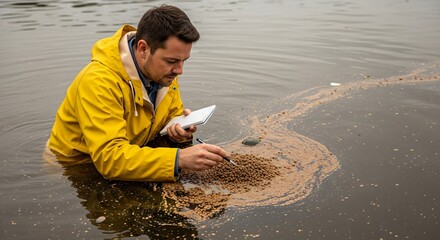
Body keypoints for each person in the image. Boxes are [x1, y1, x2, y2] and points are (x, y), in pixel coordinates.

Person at [47, 4, 228, 181]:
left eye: (184, 61)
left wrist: (178, 131)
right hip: (75, 168)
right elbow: (110, 159)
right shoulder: (98, 81)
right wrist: (179, 159)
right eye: (172, 61)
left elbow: (169, 114)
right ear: (143, 49)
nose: (180, 70)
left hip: (131, 158)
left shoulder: (163, 72)